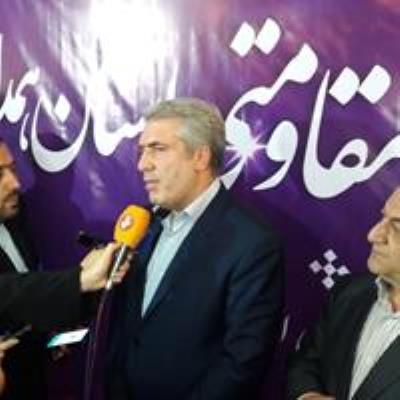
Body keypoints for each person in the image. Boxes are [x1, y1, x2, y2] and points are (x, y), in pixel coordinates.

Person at [105, 97, 284, 400]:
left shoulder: (253, 243)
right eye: (142, 151)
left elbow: (242, 361)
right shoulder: (144, 225)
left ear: (200, 157)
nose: (142, 164)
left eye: (158, 149)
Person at [0, 139, 127, 400]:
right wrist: (79, 279)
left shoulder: (16, 216)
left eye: (13, 169)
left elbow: (25, 290)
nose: (15, 183)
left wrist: (50, 331)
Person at [287, 188, 400, 400]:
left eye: (397, 227)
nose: (373, 235)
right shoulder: (349, 293)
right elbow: (307, 361)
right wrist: (308, 395)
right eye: (382, 218)